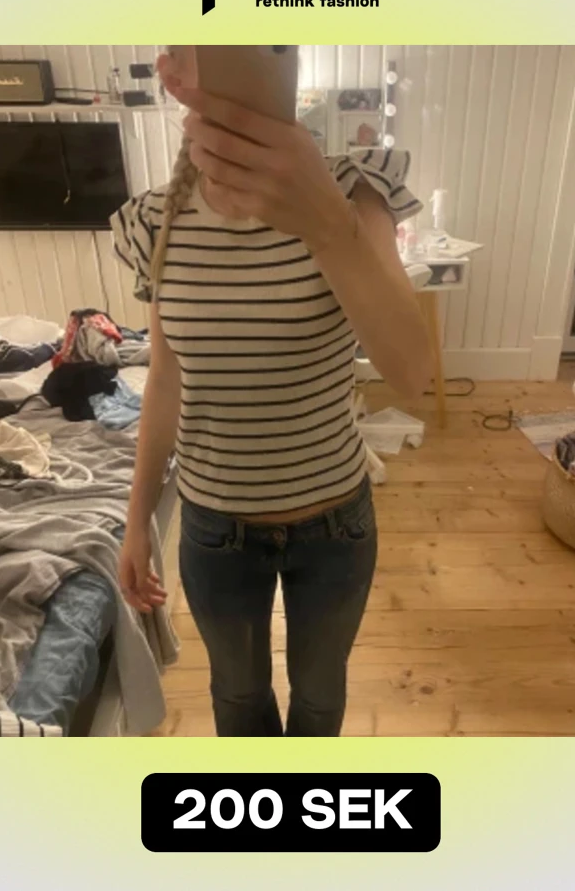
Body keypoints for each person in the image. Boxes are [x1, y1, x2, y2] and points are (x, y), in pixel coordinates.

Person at [111, 46, 432, 737]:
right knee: (236, 699)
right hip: (213, 529)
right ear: (173, 74)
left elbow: (412, 374)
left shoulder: (354, 189)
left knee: (319, 697)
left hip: (335, 526)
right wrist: (136, 521)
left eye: (270, 41)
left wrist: (325, 221)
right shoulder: (154, 220)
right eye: (218, 42)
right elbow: (164, 378)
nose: (252, 50)